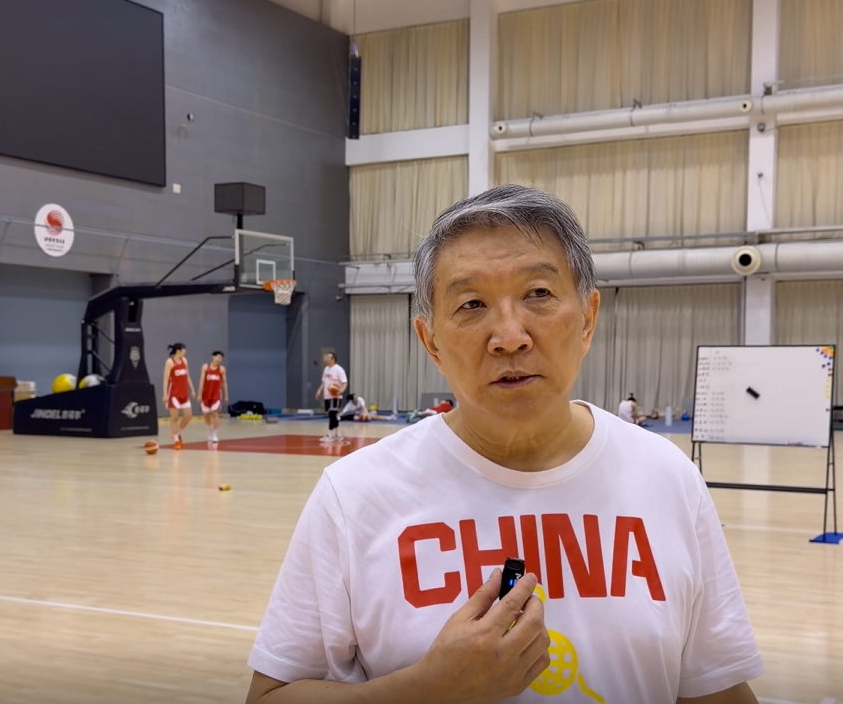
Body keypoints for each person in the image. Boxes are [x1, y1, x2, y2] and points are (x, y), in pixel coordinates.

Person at [246, 185, 762, 704]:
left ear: (588, 318)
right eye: (471, 304)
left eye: (538, 293)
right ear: (431, 342)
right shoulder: (355, 495)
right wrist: (424, 690)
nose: (510, 336)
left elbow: (716, 690)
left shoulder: (666, 477)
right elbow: (269, 697)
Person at [162, 343, 195, 450]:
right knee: (175, 417)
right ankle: (176, 440)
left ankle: (178, 433)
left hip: (184, 393)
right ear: (179, 351)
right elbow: (165, 379)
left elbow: (187, 376)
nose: (185, 351)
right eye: (184, 350)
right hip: (173, 394)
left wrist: (192, 389)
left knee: (188, 416)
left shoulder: (185, 361)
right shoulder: (170, 362)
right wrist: (165, 394)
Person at [315, 352, 348, 443]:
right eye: (325, 357)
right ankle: (338, 435)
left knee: (332, 415)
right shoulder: (326, 369)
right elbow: (324, 382)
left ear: (333, 359)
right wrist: (319, 391)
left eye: (328, 357)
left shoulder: (339, 369)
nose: (325, 359)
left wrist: (340, 391)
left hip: (335, 396)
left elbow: (345, 382)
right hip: (327, 396)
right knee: (332, 415)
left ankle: (330, 435)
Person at [199, 351, 228, 444]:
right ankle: (211, 429)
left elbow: (224, 383)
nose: (220, 360)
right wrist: (199, 394)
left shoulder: (222, 369)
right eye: (218, 357)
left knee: (215, 414)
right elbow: (202, 381)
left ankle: (215, 434)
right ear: (213, 357)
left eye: (221, 358)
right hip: (206, 394)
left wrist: (226, 395)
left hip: (216, 395)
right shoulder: (205, 367)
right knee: (206, 414)